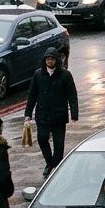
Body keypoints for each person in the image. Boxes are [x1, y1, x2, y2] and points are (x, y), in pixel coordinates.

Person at [24, 47, 78, 177]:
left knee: (59, 145)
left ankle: (57, 167)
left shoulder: (65, 75)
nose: (50, 61)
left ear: (56, 61)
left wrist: (74, 114)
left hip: (59, 115)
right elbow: (32, 95)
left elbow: (72, 95)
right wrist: (28, 114)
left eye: (52, 59)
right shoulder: (38, 74)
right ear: (44, 60)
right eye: (48, 59)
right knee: (42, 139)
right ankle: (49, 163)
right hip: (42, 114)